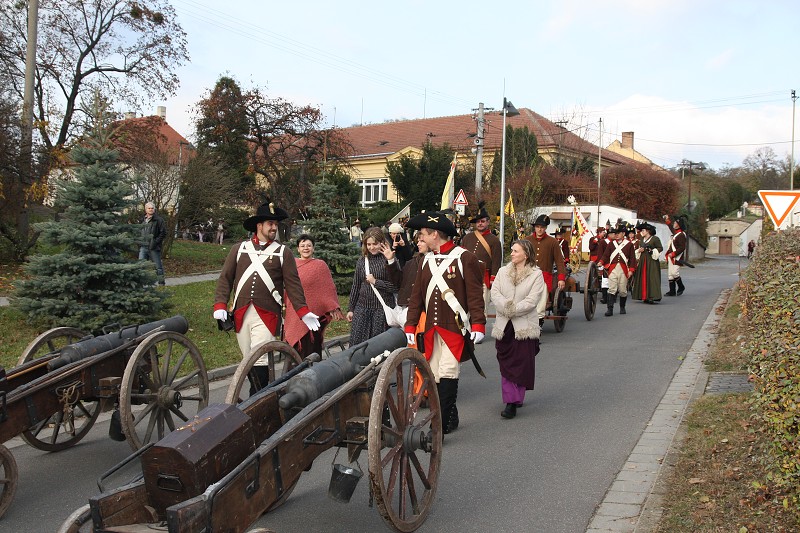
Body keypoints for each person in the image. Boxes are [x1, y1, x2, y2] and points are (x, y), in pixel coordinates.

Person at [213, 201, 321, 392]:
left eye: (275, 224)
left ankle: (255, 398)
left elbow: (293, 285)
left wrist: (303, 311)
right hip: (241, 313)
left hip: (267, 315)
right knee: (248, 358)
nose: (274, 227)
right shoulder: (239, 249)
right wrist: (220, 304)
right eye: (270, 223)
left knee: (260, 357)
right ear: (259, 225)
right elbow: (225, 278)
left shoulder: (282, 252)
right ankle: (259, 394)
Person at [404, 211, 486, 434]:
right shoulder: (425, 260)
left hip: (454, 329)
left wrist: (478, 323)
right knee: (435, 375)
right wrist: (410, 325)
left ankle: (438, 426)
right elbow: (417, 298)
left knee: (448, 373)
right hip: (431, 329)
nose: (420, 238)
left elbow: (475, 295)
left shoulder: (464, 258)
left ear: (434, 234)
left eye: (423, 234)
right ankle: (450, 416)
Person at [490, 239, 548, 419]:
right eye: (512, 250)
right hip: (504, 325)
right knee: (506, 363)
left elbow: (532, 300)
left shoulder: (536, 275)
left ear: (526, 254)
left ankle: (512, 402)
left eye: (516, 251)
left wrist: (514, 309)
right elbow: (495, 293)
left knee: (521, 363)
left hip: (523, 326)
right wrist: (505, 307)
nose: (512, 254)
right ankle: (512, 398)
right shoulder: (502, 272)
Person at [283, 234, 344, 358]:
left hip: (314, 314)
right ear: (298, 249)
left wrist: (332, 306)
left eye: (309, 245)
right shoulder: (291, 264)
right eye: (302, 246)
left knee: (310, 347)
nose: (306, 248)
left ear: (313, 248)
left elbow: (328, 287)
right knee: (294, 349)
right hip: (294, 311)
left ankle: (313, 373)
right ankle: (294, 373)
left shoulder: (320, 265)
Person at [346, 226, 402, 346]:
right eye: (368, 244)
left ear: (382, 242)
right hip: (362, 309)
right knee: (358, 346)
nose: (371, 247)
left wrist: (376, 282)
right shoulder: (362, 260)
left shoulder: (389, 259)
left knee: (378, 347)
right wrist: (351, 309)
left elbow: (396, 287)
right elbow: (356, 285)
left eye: (375, 244)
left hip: (381, 310)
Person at [460, 202, 502, 311]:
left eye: (482, 221)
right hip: (467, 275)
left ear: (488, 222)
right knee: (465, 308)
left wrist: (493, 278)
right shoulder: (467, 238)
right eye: (478, 221)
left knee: (481, 308)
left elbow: (497, 261)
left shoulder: (494, 240)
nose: (480, 224)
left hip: (484, 277)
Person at [599, 225, 637, 316]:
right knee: (611, 289)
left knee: (623, 290)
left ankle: (622, 307)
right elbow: (606, 255)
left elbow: (632, 259)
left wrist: (631, 270)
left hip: (623, 270)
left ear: (623, 234)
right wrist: (601, 261)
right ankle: (610, 309)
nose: (616, 235)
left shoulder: (629, 244)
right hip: (613, 269)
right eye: (615, 233)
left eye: (618, 233)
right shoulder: (611, 244)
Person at [525, 215, 566, 296]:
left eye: (542, 227)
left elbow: (559, 261)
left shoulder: (553, 242)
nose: (539, 229)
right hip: (528, 276)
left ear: (546, 228)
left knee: (543, 303)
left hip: (545, 277)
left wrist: (561, 279)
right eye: (537, 227)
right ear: (534, 227)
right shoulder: (527, 240)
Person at [631, 222, 663, 304]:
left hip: (651, 261)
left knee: (651, 278)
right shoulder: (641, 240)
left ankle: (652, 296)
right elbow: (639, 248)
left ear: (648, 231)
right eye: (642, 230)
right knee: (643, 277)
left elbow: (660, 248)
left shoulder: (655, 239)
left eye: (643, 230)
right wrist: (639, 250)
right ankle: (644, 296)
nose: (642, 232)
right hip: (642, 260)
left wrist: (652, 251)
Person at [138, 202, 167, 286]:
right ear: (145, 209)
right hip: (143, 247)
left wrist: (155, 242)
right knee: (141, 265)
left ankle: (161, 283)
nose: (151, 209)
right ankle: (140, 283)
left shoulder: (159, 220)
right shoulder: (142, 220)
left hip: (154, 247)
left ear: (154, 209)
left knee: (158, 267)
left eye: (152, 208)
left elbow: (163, 233)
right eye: (149, 208)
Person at [664, 214, 688, 296]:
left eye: (675, 222)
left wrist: (673, 254)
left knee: (675, 273)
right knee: (670, 274)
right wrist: (667, 220)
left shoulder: (681, 235)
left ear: (678, 225)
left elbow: (682, 248)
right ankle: (672, 291)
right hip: (671, 256)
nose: (674, 224)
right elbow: (671, 227)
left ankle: (681, 287)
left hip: (677, 257)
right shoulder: (677, 233)